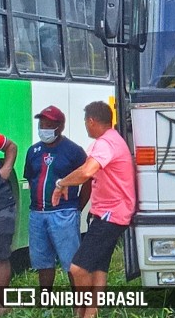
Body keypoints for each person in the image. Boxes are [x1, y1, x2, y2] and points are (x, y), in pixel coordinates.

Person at [51, 101, 136, 318]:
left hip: (111, 215)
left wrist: (61, 184)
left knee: (78, 268)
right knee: (99, 267)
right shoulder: (114, 139)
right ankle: (92, 313)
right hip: (114, 213)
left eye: (85, 123)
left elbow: (87, 171)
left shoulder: (105, 143)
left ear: (91, 121)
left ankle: (83, 311)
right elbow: (86, 168)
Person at [24, 105, 90, 290]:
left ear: (60, 126)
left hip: (64, 213)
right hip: (37, 214)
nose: (43, 128)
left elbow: (87, 179)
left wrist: (77, 207)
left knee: (71, 262)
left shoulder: (73, 151)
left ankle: (79, 303)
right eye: (41, 123)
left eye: (48, 124)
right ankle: (45, 300)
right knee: (43, 262)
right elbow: (30, 177)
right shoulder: (33, 151)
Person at [0, 132, 17, 317]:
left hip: (1, 204)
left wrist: (6, 169)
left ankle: (2, 304)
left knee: (1, 256)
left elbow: (11, 146)